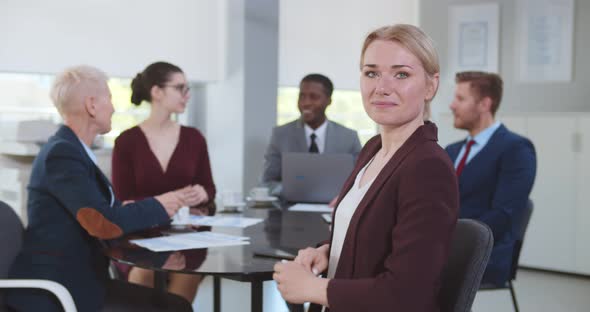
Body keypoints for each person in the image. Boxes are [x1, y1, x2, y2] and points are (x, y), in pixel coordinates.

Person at [272, 24, 459, 311]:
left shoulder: (428, 167)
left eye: (401, 74)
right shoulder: (373, 149)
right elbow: (370, 234)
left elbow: (408, 293)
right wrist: (328, 251)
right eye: (371, 73)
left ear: (430, 86)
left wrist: (313, 288)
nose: (381, 88)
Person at [4, 65, 193, 312]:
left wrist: (129, 209)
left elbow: (99, 211)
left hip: (82, 280)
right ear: (92, 105)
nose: (114, 107)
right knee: (174, 308)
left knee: (174, 305)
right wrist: (160, 204)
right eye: (110, 99)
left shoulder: (74, 151)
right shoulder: (62, 155)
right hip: (58, 291)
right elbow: (101, 222)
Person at [112, 61, 216, 303]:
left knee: (186, 277)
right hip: (138, 238)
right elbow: (122, 200)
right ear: (156, 92)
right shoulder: (126, 141)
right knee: (142, 274)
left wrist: (202, 193)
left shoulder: (194, 138)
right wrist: (166, 202)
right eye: (180, 88)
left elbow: (209, 188)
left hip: (186, 236)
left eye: (188, 88)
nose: (186, 95)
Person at [446, 71, 536, 286]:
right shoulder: (451, 151)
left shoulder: (515, 149)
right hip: (444, 247)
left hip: (485, 255)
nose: (451, 105)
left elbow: (503, 215)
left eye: (460, 98)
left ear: (485, 104)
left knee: (412, 271)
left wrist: (450, 241)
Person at [262, 74, 362, 197]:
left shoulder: (349, 137)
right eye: (302, 96)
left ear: (329, 100)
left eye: (314, 97)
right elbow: (267, 182)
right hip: (291, 210)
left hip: (335, 210)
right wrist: (288, 189)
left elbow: (360, 183)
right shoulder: (281, 135)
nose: (306, 103)